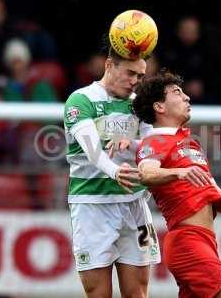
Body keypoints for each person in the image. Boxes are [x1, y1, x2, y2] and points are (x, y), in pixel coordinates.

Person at [132, 70, 221, 298]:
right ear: (159, 107)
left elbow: (219, 201)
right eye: (177, 93)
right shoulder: (155, 140)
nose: (187, 97)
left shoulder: (191, 144)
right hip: (187, 241)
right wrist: (179, 172)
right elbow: (146, 173)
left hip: (207, 240)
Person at [63, 46, 160, 298]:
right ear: (108, 65)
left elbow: (153, 147)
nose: (134, 81)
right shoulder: (80, 100)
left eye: (140, 76)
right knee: (98, 294)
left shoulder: (140, 105)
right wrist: (115, 171)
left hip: (136, 207)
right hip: (92, 207)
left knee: (138, 293)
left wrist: (140, 151)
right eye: (130, 73)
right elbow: (92, 150)